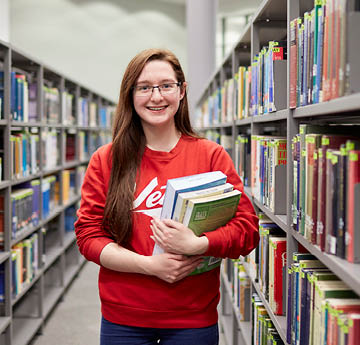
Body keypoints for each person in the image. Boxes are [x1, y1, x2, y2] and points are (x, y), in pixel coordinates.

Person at [75, 48, 259, 345]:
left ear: (182, 91)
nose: (156, 97)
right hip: (124, 316)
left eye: (166, 86)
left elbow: (247, 229)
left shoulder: (210, 155)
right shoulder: (106, 159)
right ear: (130, 95)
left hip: (192, 316)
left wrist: (199, 244)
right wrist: (147, 265)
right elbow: (88, 236)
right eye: (144, 87)